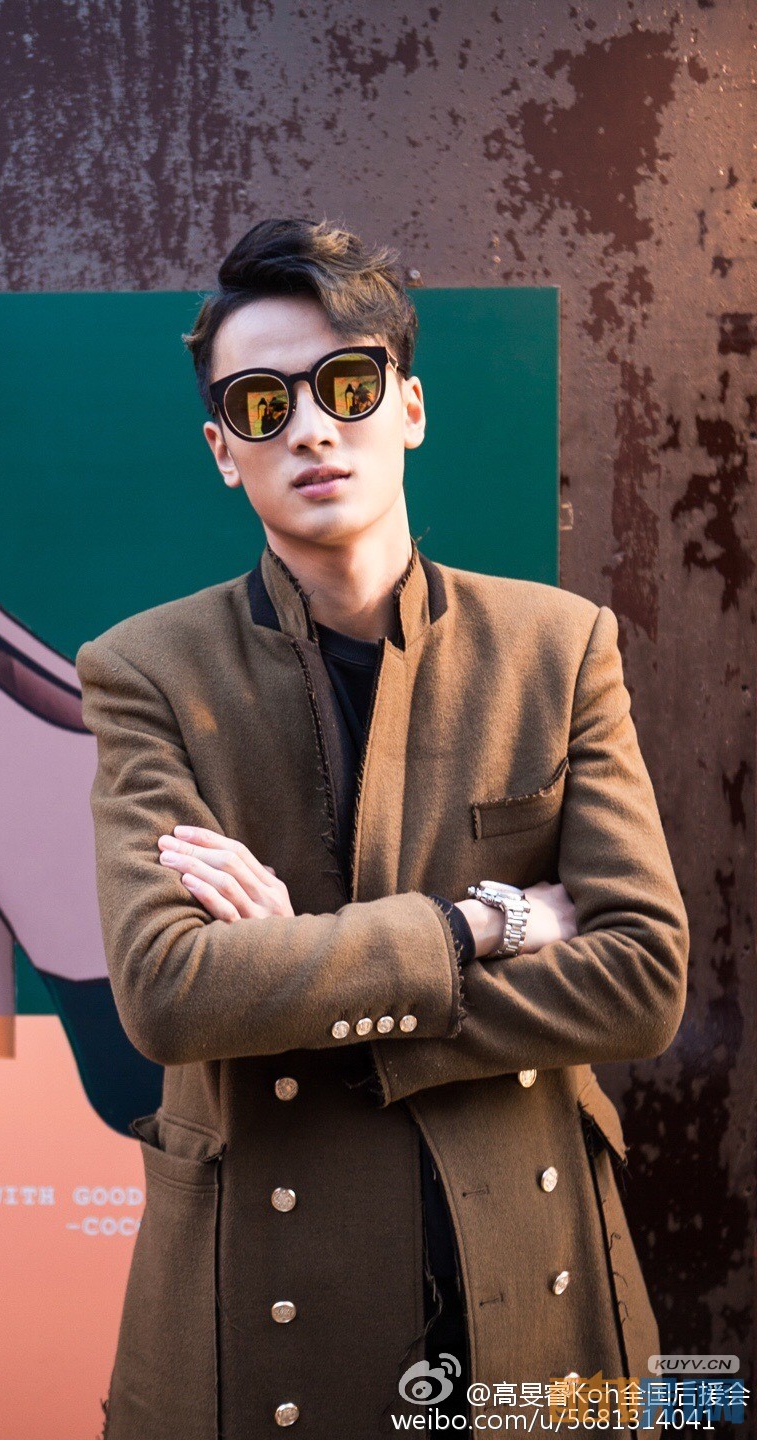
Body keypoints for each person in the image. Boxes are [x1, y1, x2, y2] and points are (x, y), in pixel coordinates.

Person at [75, 216, 689, 1440]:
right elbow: (170, 993)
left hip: (532, 1275)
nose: (310, 427)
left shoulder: (557, 648)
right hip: (261, 1300)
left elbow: (640, 980)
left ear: (408, 407)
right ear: (222, 450)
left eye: (347, 385)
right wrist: (481, 925)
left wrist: (299, 975)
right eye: (262, 404)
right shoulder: (147, 672)